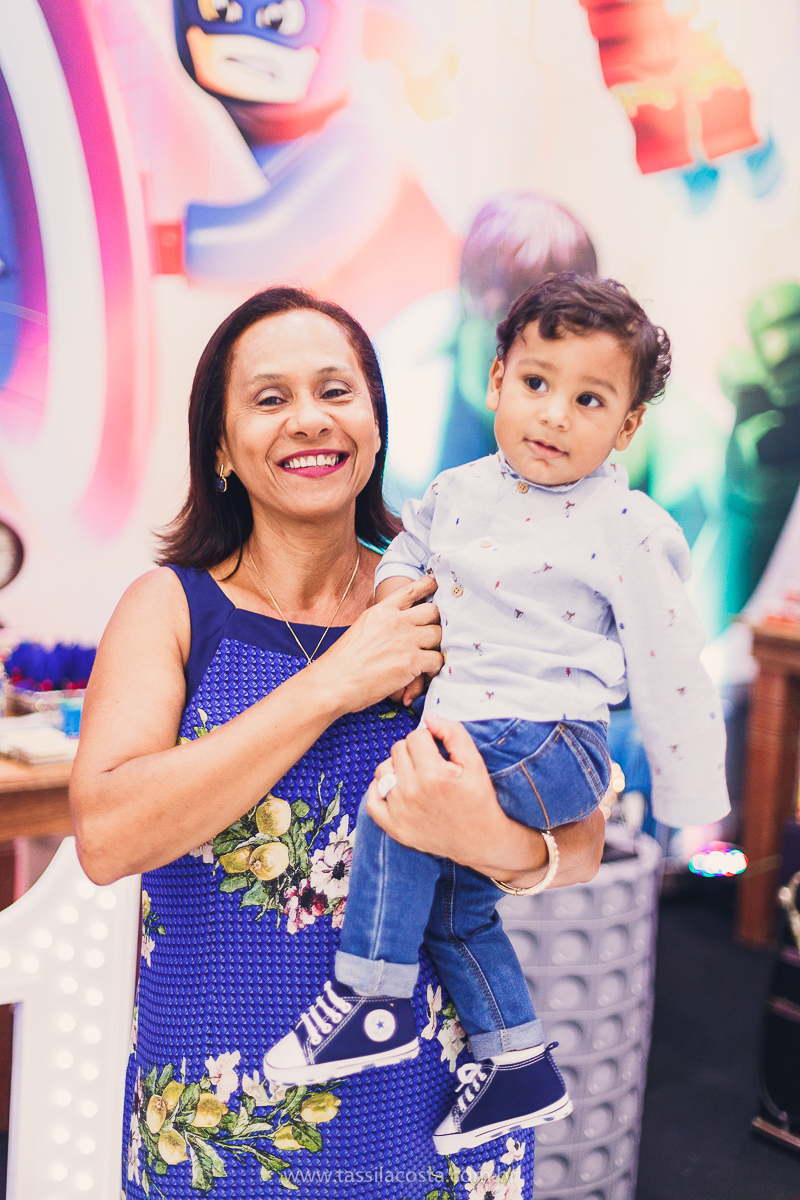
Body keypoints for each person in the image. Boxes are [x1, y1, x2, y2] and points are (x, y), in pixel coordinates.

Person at [69, 286, 605, 1199]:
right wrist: (334, 684)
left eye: (336, 391)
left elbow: (582, 842)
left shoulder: (459, 596)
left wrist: (496, 845)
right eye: (269, 399)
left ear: (376, 425)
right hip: (222, 1124)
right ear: (221, 448)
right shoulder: (170, 610)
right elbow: (108, 836)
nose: (308, 419)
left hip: (433, 1120)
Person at [263, 275, 731, 1154]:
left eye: (589, 399)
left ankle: (370, 996)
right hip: (484, 725)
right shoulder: (460, 488)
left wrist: (690, 798)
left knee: (404, 798)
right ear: (495, 382)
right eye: (535, 384)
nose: (554, 415)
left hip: (552, 737)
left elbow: (673, 664)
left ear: (627, 426)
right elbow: (408, 546)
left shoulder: (624, 523)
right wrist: (397, 598)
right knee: (454, 910)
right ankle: (516, 1059)